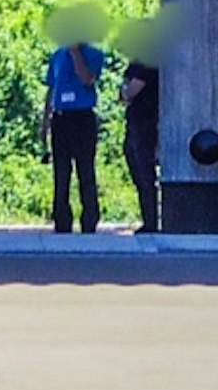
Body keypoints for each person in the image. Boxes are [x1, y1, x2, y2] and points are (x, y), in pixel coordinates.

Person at [43, 24, 107, 235]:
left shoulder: (94, 54)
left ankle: (89, 218)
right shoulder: (57, 56)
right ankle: (61, 219)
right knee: (61, 172)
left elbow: (87, 79)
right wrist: (44, 125)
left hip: (83, 118)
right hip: (61, 118)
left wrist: (76, 53)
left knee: (85, 170)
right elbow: (51, 90)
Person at [117, 42, 164, 237]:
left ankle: (152, 221)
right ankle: (148, 218)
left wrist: (126, 91)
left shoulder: (148, 62)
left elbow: (129, 91)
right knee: (136, 168)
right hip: (135, 121)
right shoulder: (135, 64)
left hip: (147, 123)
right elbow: (122, 95)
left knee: (145, 172)